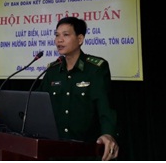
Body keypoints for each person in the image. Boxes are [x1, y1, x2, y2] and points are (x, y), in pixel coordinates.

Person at [36, 17, 119, 161]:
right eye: (57, 35)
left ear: (80, 39)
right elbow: (39, 106)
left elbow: (105, 107)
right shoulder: (52, 71)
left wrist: (108, 133)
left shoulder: (96, 69)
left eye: (65, 35)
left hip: (85, 151)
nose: (59, 40)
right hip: (53, 150)